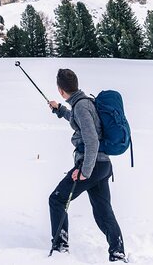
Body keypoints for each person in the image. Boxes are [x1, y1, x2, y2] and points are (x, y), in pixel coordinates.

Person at [48, 68, 127, 262]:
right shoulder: (83, 103)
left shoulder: (82, 106)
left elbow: (92, 140)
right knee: (102, 211)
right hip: (102, 166)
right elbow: (81, 123)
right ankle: (117, 252)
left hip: (91, 165)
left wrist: (84, 171)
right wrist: (61, 110)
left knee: (57, 199)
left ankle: (60, 245)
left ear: (60, 90)